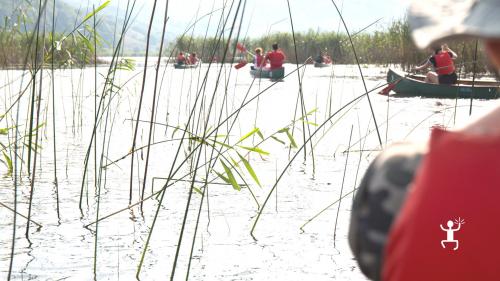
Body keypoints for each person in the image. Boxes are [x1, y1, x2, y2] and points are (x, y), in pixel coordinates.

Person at [349, 0, 500, 280]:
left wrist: (424, 66)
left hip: (445, 81)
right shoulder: (446, 55)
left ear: (492, 46)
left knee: (432, 77)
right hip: (451, 78)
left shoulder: (399, 174)